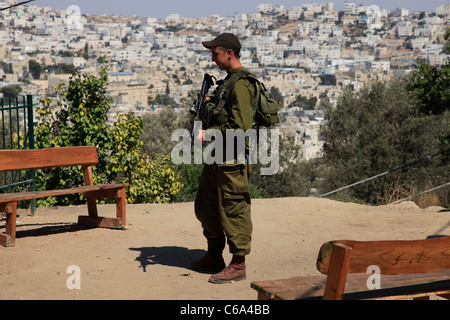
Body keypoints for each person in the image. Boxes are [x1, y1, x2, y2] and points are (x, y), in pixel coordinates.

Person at [190, 33, 256, 284]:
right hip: (218, 154)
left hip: (234, 156)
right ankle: (214, 255)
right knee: (205, 206)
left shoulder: (243, 84)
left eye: (215, 53)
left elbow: (240, 127)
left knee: (234, 209)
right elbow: (225, 116)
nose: (212, 58)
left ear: (230, 53)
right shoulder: (228, 82)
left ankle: (238, 263)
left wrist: (208, 133)